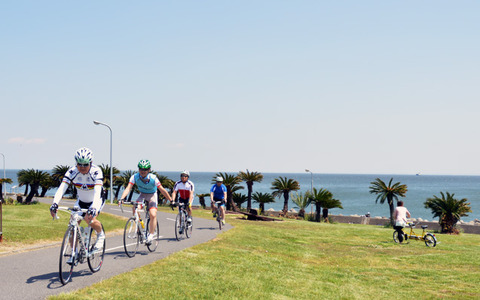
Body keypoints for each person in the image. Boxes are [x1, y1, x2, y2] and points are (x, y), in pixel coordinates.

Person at [50, 147, 106, 250]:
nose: (82, 167)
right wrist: (55, 203)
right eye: (79, 164)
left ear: (91, 162)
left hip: (97, 200)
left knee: (90, 220)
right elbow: (62, 188)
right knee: (72, 224)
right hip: (81, 201)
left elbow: (97, 191)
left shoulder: (96, 171)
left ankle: (100, 235)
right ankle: (73, 252)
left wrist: (93, 207)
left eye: (85, 164)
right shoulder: (72, 171)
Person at [119, 159, 172, 244]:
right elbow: (128, 188)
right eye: (140, 169)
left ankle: (151, 234)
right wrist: (121, 198)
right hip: (142, 194)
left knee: (153, 214)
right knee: (135, 209)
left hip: (152, 195)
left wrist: (171, 200)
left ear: (149, 170)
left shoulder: (153, 178)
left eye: (145, 169)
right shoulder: (135, 177)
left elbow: (162, 190)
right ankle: (142, 227)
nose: (142, 171)